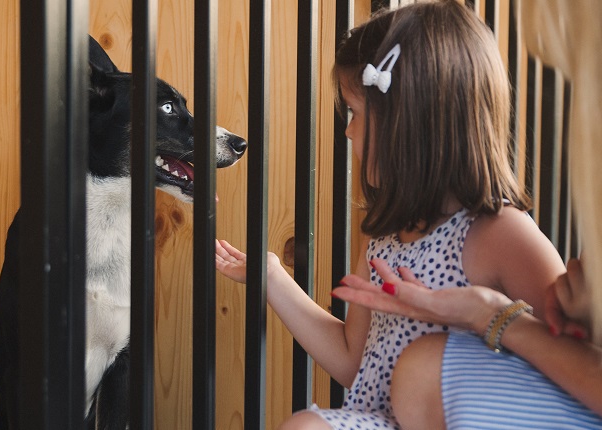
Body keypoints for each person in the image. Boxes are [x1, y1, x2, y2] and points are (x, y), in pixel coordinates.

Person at [215, 1, 566, 428]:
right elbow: (353, 360)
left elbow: (574, 365)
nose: (347, 131)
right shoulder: (385, 237)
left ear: (411, 122)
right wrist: (273, 278)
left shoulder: (501, 235)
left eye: (355, 114)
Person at [334, 257, 602, 429]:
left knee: (426, 372)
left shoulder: (501, 231)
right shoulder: (377, 236)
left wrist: (490, 314)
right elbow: (355, 364)